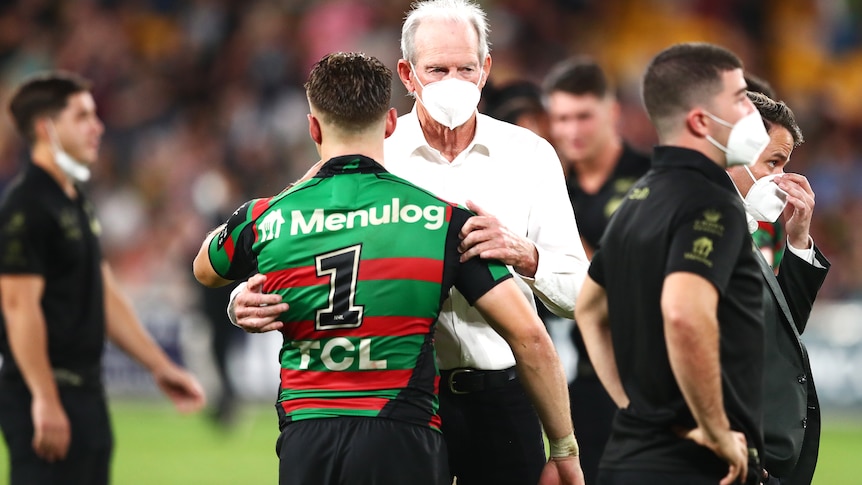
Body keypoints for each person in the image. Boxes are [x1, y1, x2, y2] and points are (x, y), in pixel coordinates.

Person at [227, 1, 590, 484]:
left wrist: (526, 255)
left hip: (503, 395)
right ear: (408, 73)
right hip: (408, 401)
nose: (453, 81)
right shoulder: (374, 151)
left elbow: (577, 296)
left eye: (465, 68)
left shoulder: (530, 156)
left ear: (486, 69)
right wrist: (241, 300)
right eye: (437, 69)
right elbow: (290, 222)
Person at [575, 42, 769, 485]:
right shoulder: (711, 200)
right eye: (740, 97)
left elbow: (588, 309)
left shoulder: (638, 197)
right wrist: (719, 430)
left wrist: (632, 407)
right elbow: (683, 313)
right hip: (693, 465)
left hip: (628, 455)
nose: (751, 110)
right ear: (701, 121)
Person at [0, 71, 206, 485]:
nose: (98, 127)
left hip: (86, 395)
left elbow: (103, 294)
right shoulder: (27, 206)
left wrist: (159, 365)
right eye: (82, 116)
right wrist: (43, 396)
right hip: (47, 395)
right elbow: (18, 305)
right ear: (46, 129)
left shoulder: (73, 200)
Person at [541, 56, 651, 485]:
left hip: (638, 379)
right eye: (562, 118)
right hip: (572, 383)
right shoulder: (548, 189)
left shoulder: (651, 177)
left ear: (612, 113)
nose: (572, 131)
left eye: (583, 116)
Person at [727, 90, 829, 485]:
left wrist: (798, 240)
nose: (782, 178)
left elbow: (782, 328)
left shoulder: (745, 228)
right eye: (774, 161)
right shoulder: (702, 227)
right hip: (736, 455)